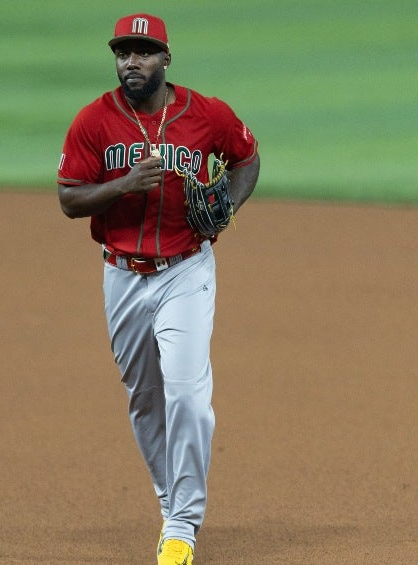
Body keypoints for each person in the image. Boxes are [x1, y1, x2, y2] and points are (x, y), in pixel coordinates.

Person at [57, 13, 260, 565]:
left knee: (188, 398)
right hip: (122, 274)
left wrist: (227, 209)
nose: (131, 61)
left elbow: (246, 156)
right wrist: (123, 184)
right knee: (146, 401)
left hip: (186, 271)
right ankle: (172, 503)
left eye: (143, 52)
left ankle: (183, 525)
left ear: (166, 58)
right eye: (123, 52)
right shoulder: (93, 122)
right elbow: (69, 198)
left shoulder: (207, 115)